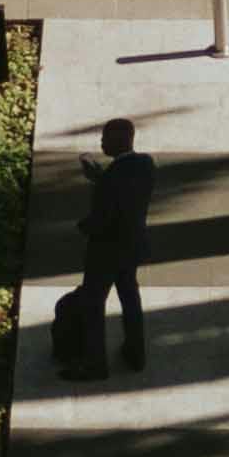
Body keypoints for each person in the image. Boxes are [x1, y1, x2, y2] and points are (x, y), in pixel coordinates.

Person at [75, 114, 155, 375]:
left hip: (106, 249)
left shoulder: (113, 177)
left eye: (104, 138)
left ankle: (95, 365)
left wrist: (83, 227)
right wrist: (101, 178)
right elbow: (125, 193)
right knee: (130, 297)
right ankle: (136, 354)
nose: (100, 143)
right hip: (132, 246)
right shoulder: (145, 164)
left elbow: (106, 214)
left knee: (93, 302)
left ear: (117, 140)